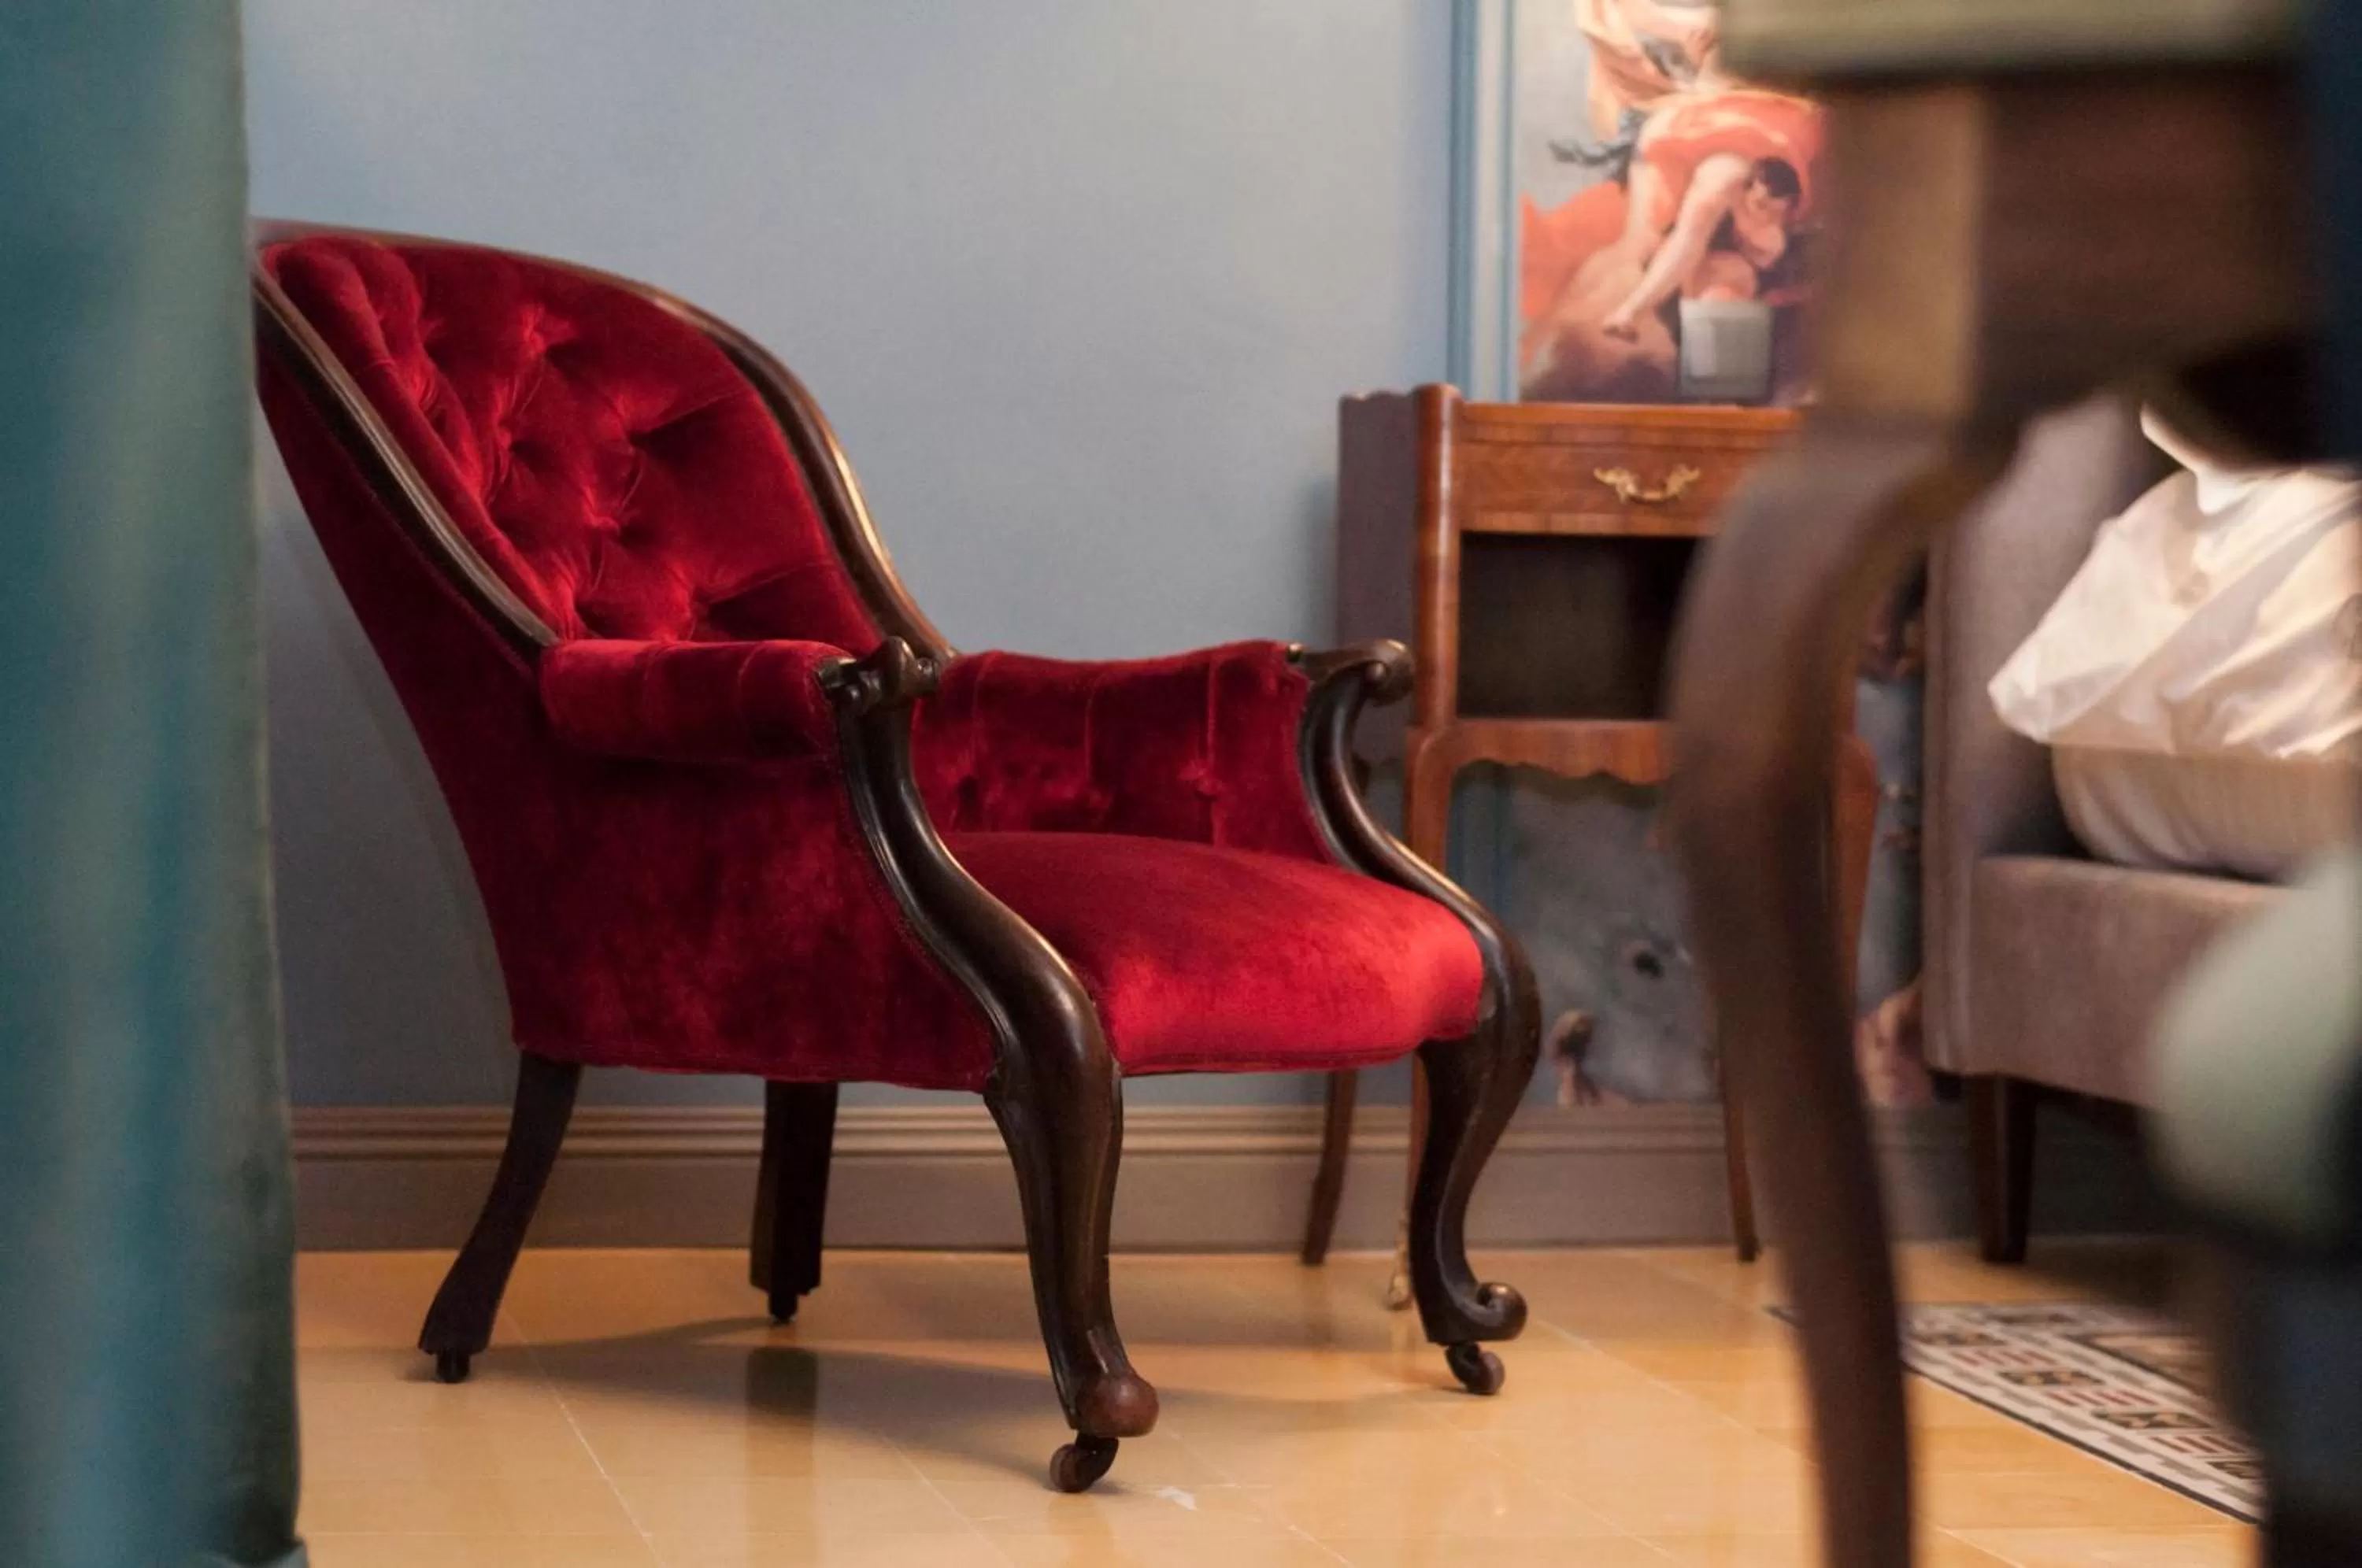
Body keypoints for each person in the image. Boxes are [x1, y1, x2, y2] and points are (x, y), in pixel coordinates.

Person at [1520, 88, 1819, 402]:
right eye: (1761, 205)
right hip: (1692, 148)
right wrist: (1633, 310)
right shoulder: (1718, 182)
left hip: (1748, 151)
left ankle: (1715, 387)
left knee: (1718, 275)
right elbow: (1687, 242)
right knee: (1651, 251)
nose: (1766, 214)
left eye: (1774, 211)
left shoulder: (1768, 207)